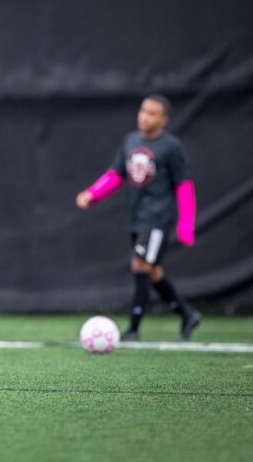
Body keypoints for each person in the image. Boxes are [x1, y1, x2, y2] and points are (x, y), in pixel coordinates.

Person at [76, 94, 202, 341]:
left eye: (153, 113)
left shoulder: (171, 147)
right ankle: (187, 315)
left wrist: (186, 223)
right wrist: (92, 194)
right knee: (152, 272)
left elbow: (184, 186)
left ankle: (133, 328)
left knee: (140, 265)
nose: (145, 116)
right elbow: (115, 175)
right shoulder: (130, 141)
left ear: (164, 120)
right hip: (136, 218)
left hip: (157, 219)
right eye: (143, 111)